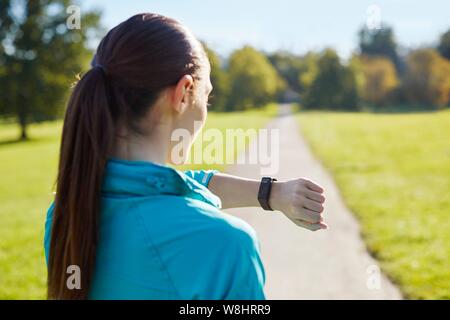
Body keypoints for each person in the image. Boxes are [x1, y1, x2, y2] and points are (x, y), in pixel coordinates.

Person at [44, 13, 327, 300]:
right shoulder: (226, 245)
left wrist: (272, 193)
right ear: (183, 92)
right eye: (207, 96)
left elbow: (172, 185)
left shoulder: (65, 215)